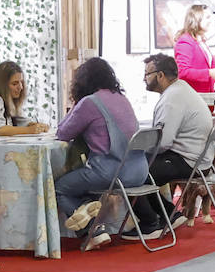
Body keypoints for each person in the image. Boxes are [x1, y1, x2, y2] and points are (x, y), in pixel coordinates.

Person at [54, 58, 147, 251]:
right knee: (84, 186)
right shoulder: (122, 99)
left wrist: (76, 105)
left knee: (60, 188)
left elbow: (63, 132)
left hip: (111, 172)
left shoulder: (90, 102)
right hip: (139, 171)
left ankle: (92, 229)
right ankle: (90, 215)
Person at [133, 54, 213, 239]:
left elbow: (163, 141)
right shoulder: (181, 90)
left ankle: (150, 223)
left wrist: (139, 149)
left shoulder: (172, 98)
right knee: (140, 169)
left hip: (187, 160)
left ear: (160, 75)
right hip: (197, 158)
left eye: (147, 74)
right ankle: (171, 214)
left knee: (132, 173)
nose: (144, 78)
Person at [0, 61, 49, 137]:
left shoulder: (9, 102)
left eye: (21, 82)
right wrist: (29, 130)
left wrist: (32, 125)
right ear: (2, 86)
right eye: (14, 84)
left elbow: (16, 121)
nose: (20, 87)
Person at [173, 4, 215, 99]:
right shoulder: (185, 41)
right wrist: (210, 73)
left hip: (205, 99)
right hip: (193, 100)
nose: (210, 21)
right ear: (196, 19)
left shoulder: (201, 42)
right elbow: (183, 72)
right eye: (207, 17)